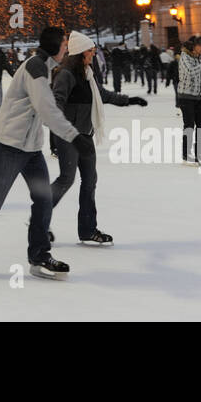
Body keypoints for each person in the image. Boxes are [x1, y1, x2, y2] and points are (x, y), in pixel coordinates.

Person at [0, 27, 86, 282]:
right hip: (9, 145)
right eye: (63, 43)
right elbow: (47, 109)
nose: (66, 47)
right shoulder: (36, 68)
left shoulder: (46, 66)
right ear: (54, 45)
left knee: (44, 199)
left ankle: (39, 255)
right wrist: (75, 136)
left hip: (30, 148)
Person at [49, 31, 146, 245]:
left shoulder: (88, 73)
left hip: (86, 135)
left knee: (90, 181)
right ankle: (39, 217)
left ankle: (87, 229)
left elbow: (102, 95)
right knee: (66, 179)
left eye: (93, 50)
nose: (93, 54)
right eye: (90, 51)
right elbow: (55, 105)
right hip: (68, 136)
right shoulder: (66, 74)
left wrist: (129, 100)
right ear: (79, 53)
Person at [176, 36, 201, 165]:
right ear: (193, 46)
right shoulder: (185, 57)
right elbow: (190, 72)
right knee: (189, 126)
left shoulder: (199, 58)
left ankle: (199, 154)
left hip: (200, 98)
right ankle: (186, 155)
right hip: (186, 97)